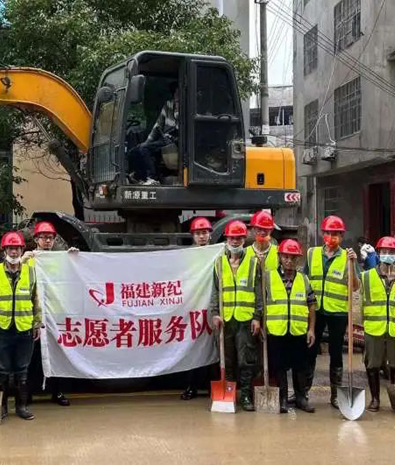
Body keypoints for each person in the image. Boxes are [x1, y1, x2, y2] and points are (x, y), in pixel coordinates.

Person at [304, 215, 360, 409]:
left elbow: (355, 286)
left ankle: (336, 395)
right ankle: (304, 391)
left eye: (336, 234)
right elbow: (304, 280)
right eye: (328, 233)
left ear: (342, 237)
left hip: (338, 313)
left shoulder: (347, 257)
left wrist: (352, 264)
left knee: (336, 353)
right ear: (323, 234)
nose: (331, 237)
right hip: (316, 311)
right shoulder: (312, 253)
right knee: (310, 350)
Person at [0, 231, 41, 420]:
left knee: (22, 369)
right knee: (2, 370)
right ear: (4, 250)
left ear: (22, 250)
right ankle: (2, 407)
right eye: (10, 248)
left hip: (24, 327)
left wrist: (37, 323)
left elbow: (36, 299)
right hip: (2, 327)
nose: (14, 252)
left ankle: (21, 406)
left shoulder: (31, 272)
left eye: (17, 248)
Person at [259, 239, 317, 413]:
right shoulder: (268, 277)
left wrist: (311, 329)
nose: (289, 261)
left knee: (300, 366)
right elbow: (261, 303)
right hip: (276, 331)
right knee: (279, 367)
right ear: (279, 257)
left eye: (293, 258)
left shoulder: (303, 279)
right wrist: (261, 324)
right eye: (286, 257)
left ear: (298, 259)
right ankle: (282, 399)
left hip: (298, 331)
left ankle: (301, 398)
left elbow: (311, 305)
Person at [210, 220, 259, 411]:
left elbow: (259, 293)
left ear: (244, 239)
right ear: (227, 239)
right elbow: (215, 291)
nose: (235, 241)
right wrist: (215, 313)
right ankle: (229, 395)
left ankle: (245, 396)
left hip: (245, 320)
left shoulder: (253, 263)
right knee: (227, 360)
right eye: (232, 238)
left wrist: (257, 316)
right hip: (225, 320)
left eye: (238, 238)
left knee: (245, 360)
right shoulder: (219, 263)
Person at [361, 236, 395, 412]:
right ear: (378, 253)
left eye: (391, 252)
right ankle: (375, 399)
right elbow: (358, 299)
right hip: (374, 328)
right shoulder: (367, 276)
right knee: (372, 365)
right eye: (384, 251)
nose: (387, 255)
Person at [22, 221, 71, 406]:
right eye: (43, 237)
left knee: (56, 354)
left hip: (55, 315)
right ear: (36, 239)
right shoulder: (30, 259)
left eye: (50, 237)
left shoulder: (59, 259)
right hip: (35, 314)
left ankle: (57, 392)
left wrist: (74, 258)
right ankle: (28, 393)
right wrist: (22, 261)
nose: (47, 241)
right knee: (32, 356)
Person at [181, 217, 213, 400]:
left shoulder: (218, 254)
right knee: (193, 347)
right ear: (193, 236)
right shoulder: (188, 256)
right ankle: (190, 386)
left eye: (205, 233)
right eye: (198, 233)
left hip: (212, 306)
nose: (202, 236)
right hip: (194, 307)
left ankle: (211, 387)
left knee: (213, 348)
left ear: (210, 235)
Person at [127, 83, 179, 186]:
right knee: (136, 150)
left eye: (179, 92)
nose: (177, 95)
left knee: (145, 149)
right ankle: (139, 176)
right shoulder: (168, 105)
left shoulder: (188, 106)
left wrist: (179, 107)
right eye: (176, 92)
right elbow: (157, 126)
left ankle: (152, 178)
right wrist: (147, 142)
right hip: (165, 139)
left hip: (177, 140)